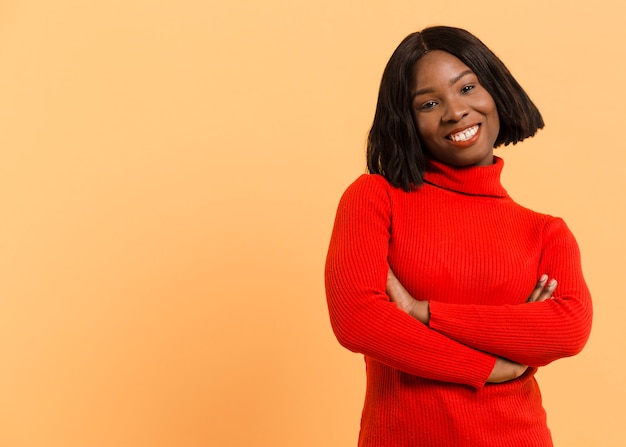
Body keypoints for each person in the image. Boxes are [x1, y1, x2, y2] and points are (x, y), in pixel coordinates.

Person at [324, 26, 592, 447]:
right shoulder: (376, 198)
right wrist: (492, 366)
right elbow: (358, 321)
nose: (455, 111)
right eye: (429, 103)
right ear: (407, 119)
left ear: (495, 90)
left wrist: (421, 312)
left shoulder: (544, 231)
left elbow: (568, 329)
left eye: (467, 87)